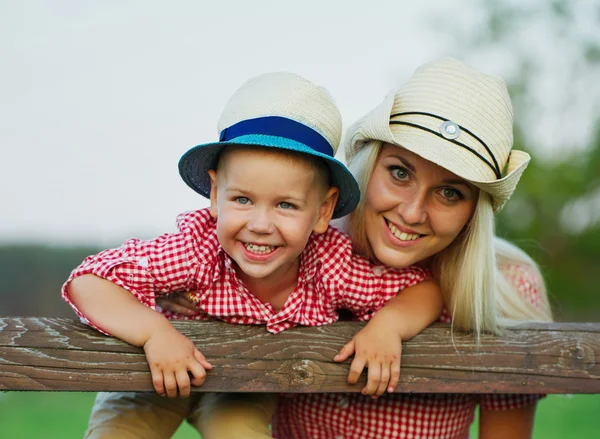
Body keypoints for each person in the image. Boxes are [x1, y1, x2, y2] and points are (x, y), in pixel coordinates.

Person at [62, 71, 443, 439]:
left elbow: (422, 291)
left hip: (243, 381)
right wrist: (153, 333)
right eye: (242, 199)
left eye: (286, 205)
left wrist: (388, 327)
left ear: (323, 211)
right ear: (214, 195)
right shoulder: (198, 250)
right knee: (121, 432)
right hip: (159, 368)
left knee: (237, 430)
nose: (260, 224)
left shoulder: (329, 267)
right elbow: (90, 281)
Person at [264, 58, 554, 439]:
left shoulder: (508, 285)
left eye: (450, 193)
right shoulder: (297, 252)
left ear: (473, 213)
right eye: (400, 173)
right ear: (369, 166)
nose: (413, 212)